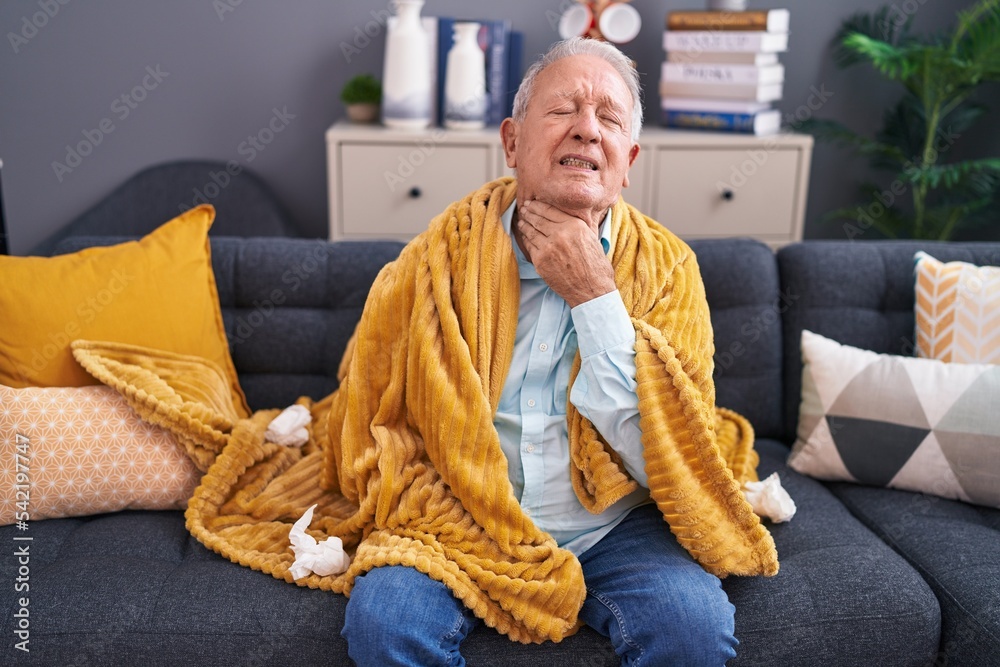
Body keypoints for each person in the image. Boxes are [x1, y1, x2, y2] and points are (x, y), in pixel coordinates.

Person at [338, 37, 775, 666]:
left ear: (628, 159)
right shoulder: (434, 260)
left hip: (616, 524)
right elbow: (380, 422)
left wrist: (594, 296)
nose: (586, 130)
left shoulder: (671, 270)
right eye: (562, 109)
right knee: (385, 624)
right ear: (512, 142)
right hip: (460, 520)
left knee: (693, 629)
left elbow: (671, 458)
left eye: (609, 119)